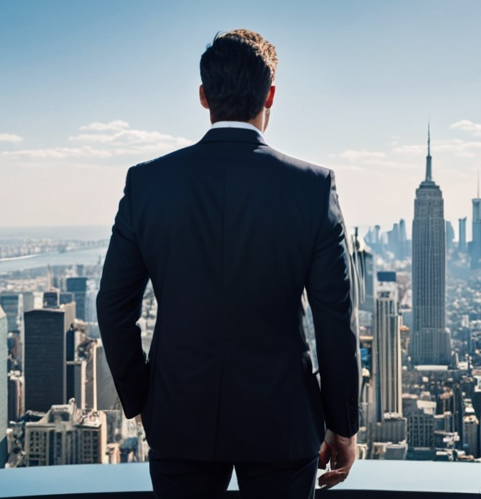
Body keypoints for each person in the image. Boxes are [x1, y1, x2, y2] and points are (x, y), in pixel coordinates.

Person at [96, 29, 360, 499]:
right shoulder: (313, 188)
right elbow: (335, 320)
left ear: (203, 96)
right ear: (271, 95)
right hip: (281, 419)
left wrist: (143, 400)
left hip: (179, 417)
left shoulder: (147, 185)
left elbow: (114, 308)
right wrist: (343, 425)